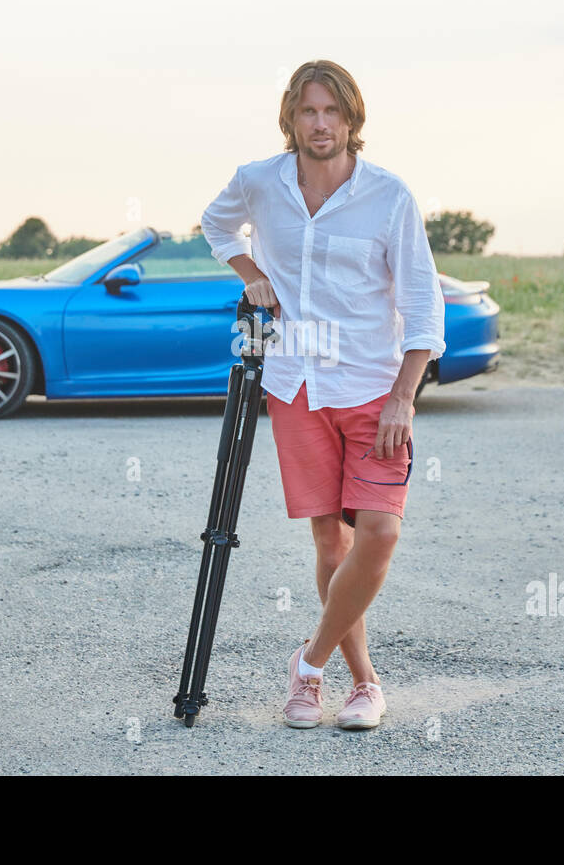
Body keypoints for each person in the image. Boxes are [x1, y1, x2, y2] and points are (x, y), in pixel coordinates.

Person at [199, 59, 446, 730]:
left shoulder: (388, 196)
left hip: (372, 386)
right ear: (291, 117)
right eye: (309, 112)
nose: (320, 124)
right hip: (295, 385)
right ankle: (361, 685)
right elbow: (215, 224)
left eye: (332, 112)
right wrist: (251, 272)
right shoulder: (259, 182)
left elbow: (423, 301)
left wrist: (404, 395)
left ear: (350, 119)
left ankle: (307, 665)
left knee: (380, 532)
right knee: (331, 548)